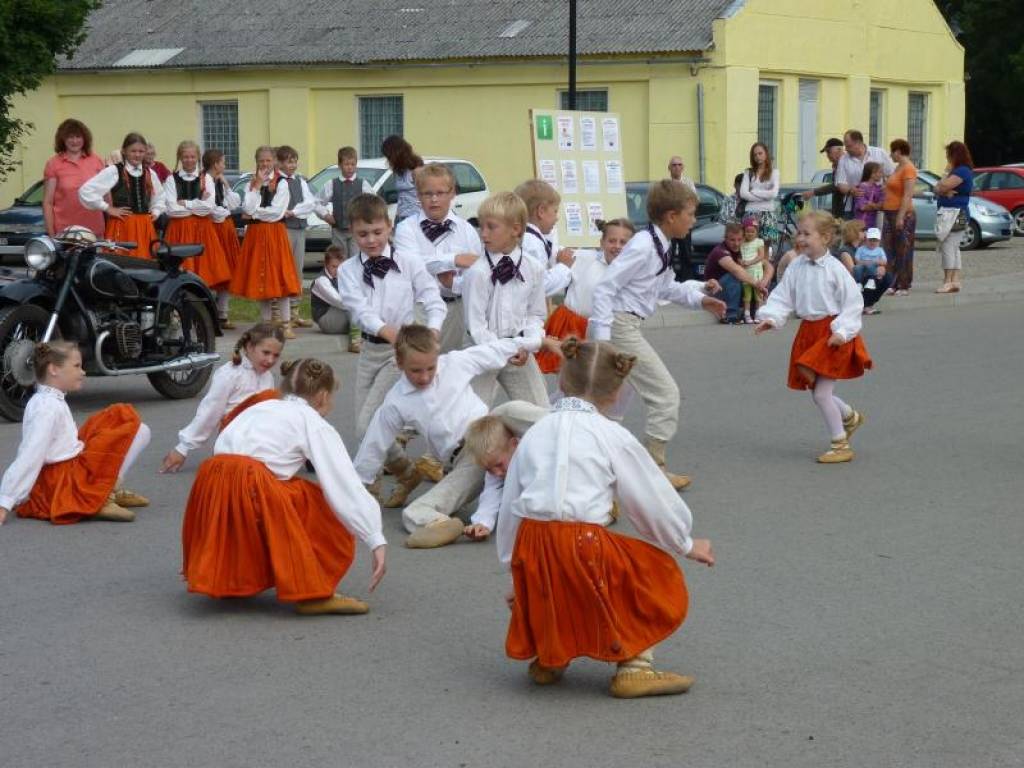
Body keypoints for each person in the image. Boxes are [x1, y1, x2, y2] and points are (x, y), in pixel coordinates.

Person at [495, 337, 715, 699]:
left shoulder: (536, 432)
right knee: (642, 573)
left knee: (553, 583)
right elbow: (649, 497)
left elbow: (512, 503)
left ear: (562, 381)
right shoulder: (611, 434)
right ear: (616, 393)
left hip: (531, 539)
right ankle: (635, 666)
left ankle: (552, 658)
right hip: (582, 538)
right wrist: (685, 542)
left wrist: (512, 567)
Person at [181, 358, 387, 615]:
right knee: (314, 503)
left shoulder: (260, 406)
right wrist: (374, 537)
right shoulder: (311, 421)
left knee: (278, 486)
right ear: (323, 396)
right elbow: (343, 483)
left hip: (211, 482)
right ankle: (313, 592)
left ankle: (229, 579)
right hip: (249, 483)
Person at [587, 180, 727, 489]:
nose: (694, 220)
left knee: (603, 404)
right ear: (671, 215)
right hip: (619, 326)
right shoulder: (642, 246)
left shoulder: (659, 243)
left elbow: (665, 287)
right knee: (664, 394)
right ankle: (653, 469)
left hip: (626, 324)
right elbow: (606, 287)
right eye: (691, 213)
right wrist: (601, 339)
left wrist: (700, 296)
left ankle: (594, 467)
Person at [353, 324, 541, 540]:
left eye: (431, 368)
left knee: (509, 409)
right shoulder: (395, 403)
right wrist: (354, 494)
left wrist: (539, 342)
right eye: (416, 370)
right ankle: (449, 525)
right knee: (412, 514)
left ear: (437, 357)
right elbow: (373, 447)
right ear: (399, 362)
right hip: (467, 462)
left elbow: (495, 349)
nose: (425, 377)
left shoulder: (454, 363)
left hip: (491, 432)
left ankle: (571, 421)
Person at [337, 193, 446, 478]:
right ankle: (405, 471)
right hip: (369, 350)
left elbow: (432, 297)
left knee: (366, 426)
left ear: (390, 227)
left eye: (377, 232)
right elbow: (359, 311)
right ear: (352, 232)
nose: (371, 240)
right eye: (363, 234)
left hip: (400, 354)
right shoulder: (348, 270)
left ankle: (443, 457)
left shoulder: (409, 261)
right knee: (367, 428)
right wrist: (388, 332)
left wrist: (432, 332)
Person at [755, 211, 872, 464]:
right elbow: (783, 295)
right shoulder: (796, 265)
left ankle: (840, 443)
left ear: (826, 237)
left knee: (821, 394)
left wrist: (842, 332)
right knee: (817, 390)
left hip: (832, 334)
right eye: (799, 232)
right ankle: (850, 417)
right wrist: (771, 317)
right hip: (808, 332)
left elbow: (853, 303)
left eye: (807, 234)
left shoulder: (835, 269)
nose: (801, 238)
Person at [0, 342, 151, 526]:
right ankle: (102, 495)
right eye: (77, 366)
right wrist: (5, 501)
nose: (83, 372)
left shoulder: (49, 399)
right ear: (54, 369)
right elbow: (30, 454)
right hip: (63, 481)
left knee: (123, 420)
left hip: (68, 467)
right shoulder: (47, 407)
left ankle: (107, 489)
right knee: (136, 429)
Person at [160, 323, 286, 474]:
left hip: (259, 438)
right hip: (234, 440)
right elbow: (209, 413)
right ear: (249, 347)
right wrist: (183, 448)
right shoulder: (230, 374)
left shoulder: (267, 377)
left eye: (276, 355)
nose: (270, 360)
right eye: (265, 353)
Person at [462, 191, 549, 408]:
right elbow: (476, 326)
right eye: (481, 227)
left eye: (491, 227)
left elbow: (535, 314)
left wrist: (528, 343)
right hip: (481, 350)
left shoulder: (534, 268)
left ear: (516, 229)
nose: (483, 234)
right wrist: (504, 349)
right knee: (470, 418)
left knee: (539, 411)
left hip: (519, 350)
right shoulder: (477, 273)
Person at [393, 162, 482, 353]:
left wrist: (453, 284)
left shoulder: (466, 230)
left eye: (440, 193)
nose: (434, 199)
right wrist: (454, 259)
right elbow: (411, 266)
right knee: (419, 367)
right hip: (419, 309)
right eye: (427, 193)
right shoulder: (406, 229)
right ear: (418, 196)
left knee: (452, 369)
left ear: (452, 193)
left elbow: (476, 273)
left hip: (456, 308)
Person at [536, 218, 634, 374]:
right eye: (612, 241)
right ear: (602, 243)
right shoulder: (584, 258)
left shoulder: (632, 271)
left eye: (623, 242)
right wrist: (562, 261)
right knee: (571, 378)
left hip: (606, 331)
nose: (617, 246)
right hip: (572, 327)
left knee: (599, 378)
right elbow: (552, 253)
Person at [228, 145, 301, 337]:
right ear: (257, 162)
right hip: (256, 234)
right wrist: (258, 186)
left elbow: (276, 212)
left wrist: (255, 212)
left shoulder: (282, 183)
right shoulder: (252, 183)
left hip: (275, 234)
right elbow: (247, 206)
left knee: (280, 277)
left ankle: (286, 324)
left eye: (268, 160)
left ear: (275, 161)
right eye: (262, 161)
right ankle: (266, 324)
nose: (265, 164)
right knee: (262, 279)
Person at [79, 132, 166, 259]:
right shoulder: (114, 171)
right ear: (124, 151)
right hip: (122, 225)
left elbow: (160, 196)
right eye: (133, 151)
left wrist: (156, 211)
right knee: (121, 263)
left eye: (141, 151)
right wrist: (107, 208)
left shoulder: (150, 173)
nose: (137, 154)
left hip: (144, 227)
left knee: (145, 265)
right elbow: (86, 191)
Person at [163, 140, 232, 299]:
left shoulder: (205, 179)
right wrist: (198, 203)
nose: (189, 160)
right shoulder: (171, 179)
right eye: (185, 156)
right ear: (180, 157)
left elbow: (208, 207)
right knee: (180, 271)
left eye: (192, 156)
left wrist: (187, 203)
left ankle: (203, 310)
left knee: (206, 272)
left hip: (203, 231)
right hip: (179, 231)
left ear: (198, 158)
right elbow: (172, 210)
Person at [276, 145, 318, 329]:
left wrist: (294, 211)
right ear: (280, 163)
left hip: (299, 228)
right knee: (283, 270)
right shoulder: (277, 182)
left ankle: (294, 311)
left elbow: (310, 203)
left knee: (297, 269)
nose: (292, 165)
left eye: (294, 161)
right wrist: (291, 213)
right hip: (284, 230)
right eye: (288, 161)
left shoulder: (300, 181)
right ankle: (277, 312)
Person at [42, 118, 106, 236]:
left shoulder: (96, 161)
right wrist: (51, 234)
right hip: (65, 233)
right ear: (63, 139)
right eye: (70, 137)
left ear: (84, 139)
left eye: (78, 137)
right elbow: (48, 202)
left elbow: (107, 196)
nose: (74, 141)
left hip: (95, 231)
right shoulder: (53, 164)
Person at [703, 222, 772, 325]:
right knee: (734, 277)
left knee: (762, 277)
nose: (736, 243)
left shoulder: (744, 250)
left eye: (739, 239)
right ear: (725, 238)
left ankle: (753, 311)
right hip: (716, 291)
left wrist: (763, 282)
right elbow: (736, 271)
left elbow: (768, 266)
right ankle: (730, 315)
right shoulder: (720, 251)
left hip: (737, 290)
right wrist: (758, 285)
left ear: (744, 238)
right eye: (732, 240)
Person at [202, 149, 242, 328]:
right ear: (215, 164)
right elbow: (214, 212)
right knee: (214, 271)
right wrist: (225, 211)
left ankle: (222, 313)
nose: (224, 166)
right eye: (223, 162)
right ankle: (210, 314)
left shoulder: (218, 180)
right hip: (213, 229)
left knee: (228, 271)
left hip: (225, 229)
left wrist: (226, 184)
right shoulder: (204, 181)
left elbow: (234, 203)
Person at [515, 179, 575, 298]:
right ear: (541, 211)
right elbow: (540, 286)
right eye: (555, 211)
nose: (557, 218)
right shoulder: (532, 244)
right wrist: (563, 266)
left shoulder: (527, 237)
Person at [933, 140, 975, 294]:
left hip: (954, 213)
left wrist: (943, 183)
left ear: (954, 155)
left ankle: (948, 281)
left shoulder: (960, 171)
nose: (947, 158)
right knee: (954, 246)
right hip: (956, 212)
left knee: (948, 245)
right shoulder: (963, 170)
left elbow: (941, 186)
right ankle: (955, 280)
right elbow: (937, 188)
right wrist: (942, 190)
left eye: (948, 154)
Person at [317, 146, 372, 258]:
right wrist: (325, 215)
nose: (350, 168)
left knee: (356, 259)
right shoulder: (331, 184)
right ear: (340, 165)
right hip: (338, 230)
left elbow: (372, 203)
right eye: (346, 164)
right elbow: (316, 202)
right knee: (339, 258)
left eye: (352, 164)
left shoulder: (363, 184)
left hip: (356, 230)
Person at [881, 139, 917, 296]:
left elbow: (907, 194)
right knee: (890, 248)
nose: (890, 155)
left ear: (899, 151)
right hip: (889, 212)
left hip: (902, 213)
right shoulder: (897, 168)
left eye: (892, 151)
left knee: (903, 248)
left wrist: (901, 217)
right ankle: (892, 281)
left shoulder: (908, 169)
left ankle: (904, 283)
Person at [834, 130, 895, 220]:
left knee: (875, 233)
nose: (846, 149)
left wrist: (885, 188)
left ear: (858, 143)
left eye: (848, 146)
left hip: (879, 207)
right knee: (854, 233)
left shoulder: (879, 153)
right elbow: (840, 183)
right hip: (853, 208)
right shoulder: (844, 159)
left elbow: (892, 175)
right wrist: (851, 191)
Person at [310, 245, 362, 351]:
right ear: (326, 264)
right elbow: (340, 302)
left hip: (339, 313)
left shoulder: (342, 276)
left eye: (341, 267)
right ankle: (355, 342)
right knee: (354, 309)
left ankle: (368, 333)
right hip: (326, 319)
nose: (338, 270)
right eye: (334, 267)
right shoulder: (321, 281)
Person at [837, 220, 890, 314]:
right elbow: (852, 273)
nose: (866, 232)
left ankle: (868, 303)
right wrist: (871, 268)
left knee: (887, 277)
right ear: (854, 232)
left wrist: (880, 268)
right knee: (871, 278)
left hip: (865, 277)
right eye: (863, 230)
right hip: (852, 283)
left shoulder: (864, 248)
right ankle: (864, 304)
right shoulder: (845, 251)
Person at [739, 142, 781, 251]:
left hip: (768, 213)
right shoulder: (748, 172)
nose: (758, 157)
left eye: (760, 153)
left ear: (766, 154)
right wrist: (765, 196)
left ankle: (765, 268)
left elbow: (774, 194)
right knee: (749, 247)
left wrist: (753, 191)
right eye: (755, 155)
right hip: (750, 213)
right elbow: (743, 193)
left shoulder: (774, 172)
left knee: (765, 249)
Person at [381, 135, 423, 223]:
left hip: (417, 216)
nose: (388, 160)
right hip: (401, 216)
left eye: (389, 156)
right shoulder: (398, 171)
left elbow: (424, 194)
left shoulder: (416, 170)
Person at [802, 138, 847, 219]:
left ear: (839, 150)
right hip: (840, 211)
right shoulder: (838, 165)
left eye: (829, 152)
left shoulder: (846, 164)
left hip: (847, 211)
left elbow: (836, 186)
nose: (828, 156)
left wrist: (813, 192)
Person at [739, 216, 767, 324]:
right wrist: (741, 261)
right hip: (746, 274)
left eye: (752, 231)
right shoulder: (742, 243)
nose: (750, 233)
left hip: (756, 274)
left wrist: (749, 263)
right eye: (747, 231)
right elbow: (739, 256)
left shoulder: (759, 242)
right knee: (747, 296)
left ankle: (758, 314)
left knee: (758, 296)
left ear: (756, 232)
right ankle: (747, 315)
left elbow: (761, 256)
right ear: (744, 232)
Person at [853, 162, 884, 229]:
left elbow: (881, 206)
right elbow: (863, 207)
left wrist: (871, 204)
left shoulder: (879, 188)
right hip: (861, 224)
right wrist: (876, 206)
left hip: (872, 224)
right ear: (872, 174)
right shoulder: (862, 187)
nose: (881, 175)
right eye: (879, 172)